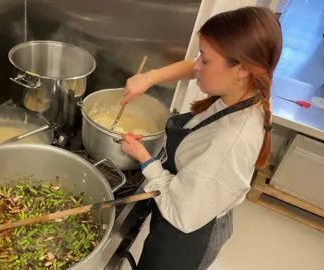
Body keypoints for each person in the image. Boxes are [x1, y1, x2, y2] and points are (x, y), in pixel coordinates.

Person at [119, 6, 282, 270]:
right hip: (199, 201)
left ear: (240, 68)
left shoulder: (227, 144)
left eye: (204, 60)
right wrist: (148, 78)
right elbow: (194, 68)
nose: (196, 65)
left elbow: (180, 212)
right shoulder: (250, 85)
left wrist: (145, 159)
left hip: (188, 233)